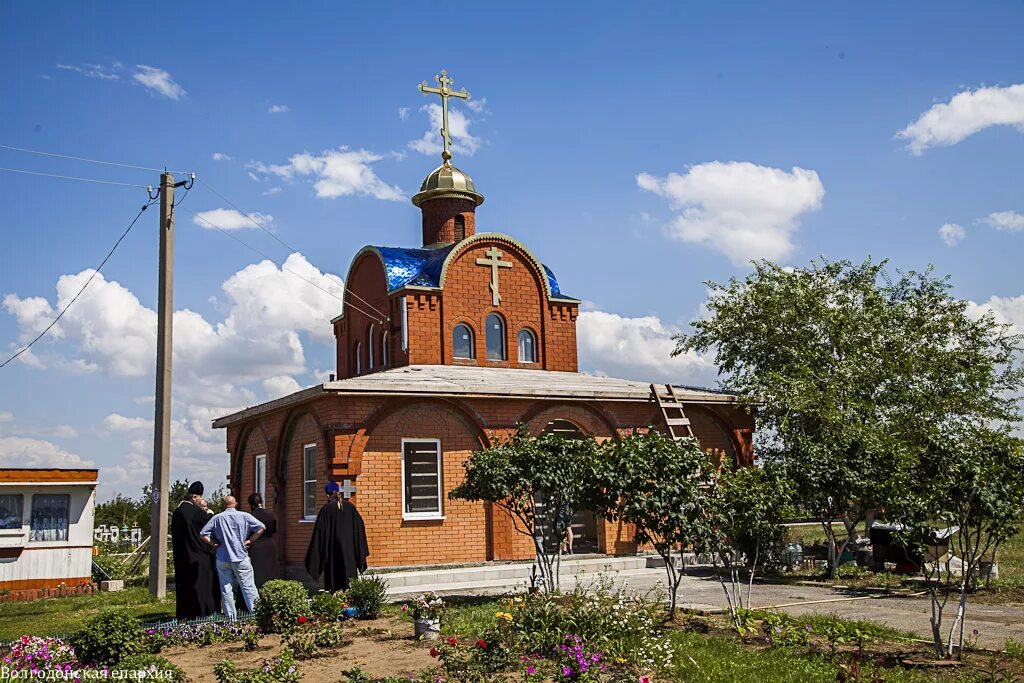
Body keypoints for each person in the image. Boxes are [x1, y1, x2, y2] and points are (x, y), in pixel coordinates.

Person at [200, 495, 265, 619]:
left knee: (226, 589)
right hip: (240, 556)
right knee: (249, 587)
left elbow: (203, 534)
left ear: (224, 505)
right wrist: (249, 541)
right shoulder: (245, 516)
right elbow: (261, 527)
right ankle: (257, 615)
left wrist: (214, 543)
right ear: (235, 504)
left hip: (223, 557)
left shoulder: (217, 518)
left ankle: (231, 618)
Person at [304, 482, 369, 591]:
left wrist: (315, 557)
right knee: (349, 582)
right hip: (350, 552)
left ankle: (335, 602)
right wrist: (358, 550)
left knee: (334, 583)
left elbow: (319, 535)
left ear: (328, 495)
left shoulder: (326, 510)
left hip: (332, 553)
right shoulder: (351, 508)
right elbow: (359, 529)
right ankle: (349, 601)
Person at [170, 481, 217, 620]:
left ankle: (184, 613)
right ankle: (202, 611)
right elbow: (210, 521)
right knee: (200, 585)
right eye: (200, 498)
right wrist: (209, 512)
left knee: (184, 586)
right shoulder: (196, 512)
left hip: (181, 555)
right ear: (195, 497)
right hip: (198, 555)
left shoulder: (178, 512)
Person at [247, 492, 279, 588]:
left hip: (255, 546)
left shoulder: (250, 516)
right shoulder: (271, 514)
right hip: (270, 544)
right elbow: (274, 530)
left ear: (251, 504)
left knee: (256, 573)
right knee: (270, 571)